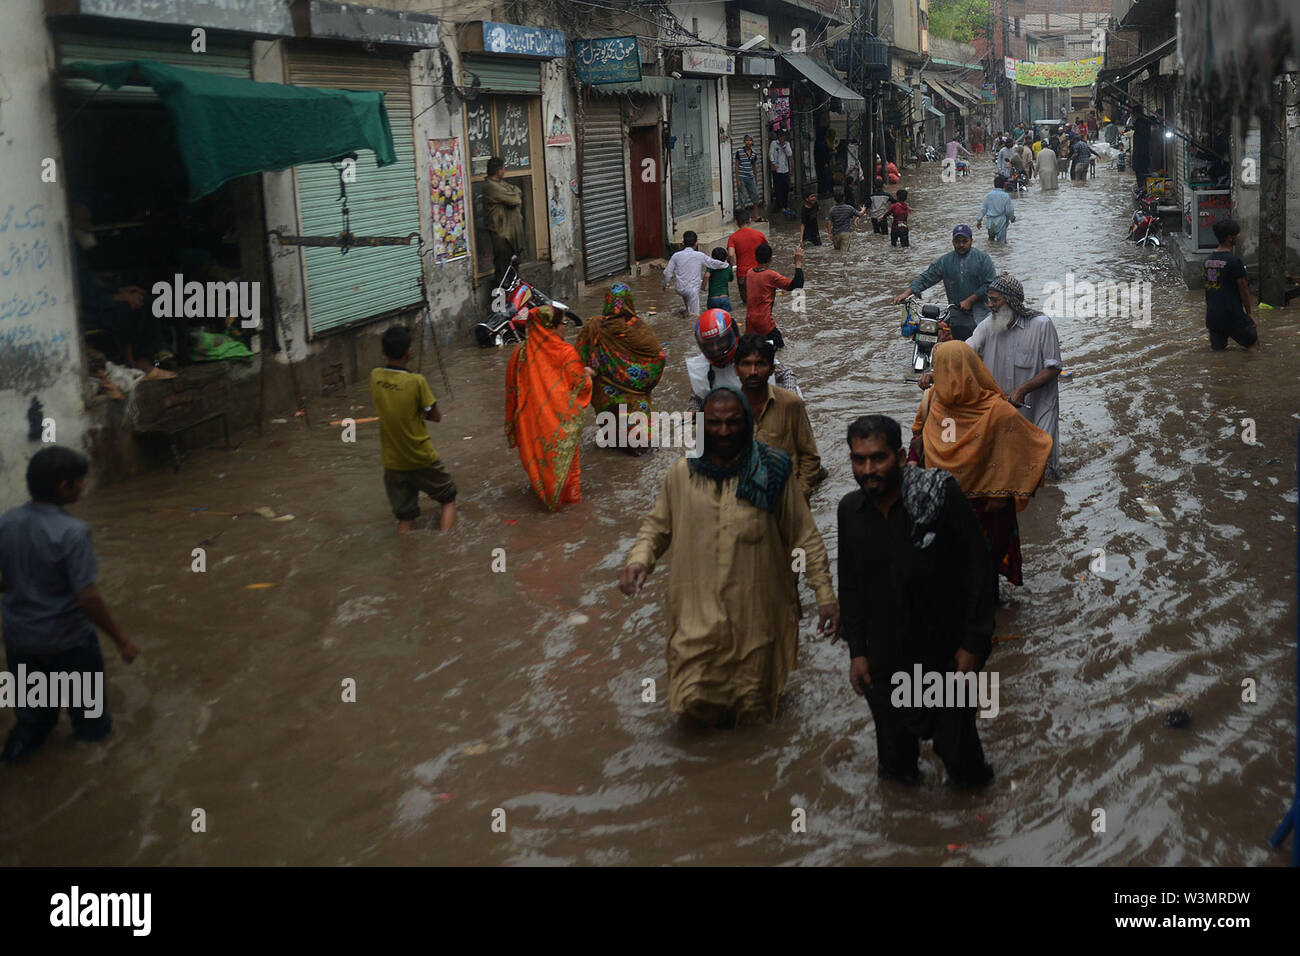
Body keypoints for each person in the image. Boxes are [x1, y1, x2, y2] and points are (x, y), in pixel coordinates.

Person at [619, 387, 838, 727]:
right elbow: (657, 527)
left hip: (756, 626)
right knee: (691, 712)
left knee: (754, 717)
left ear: (747, 425)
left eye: (734, 423)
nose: (724, 431)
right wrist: (638, 560)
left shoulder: (774, 473)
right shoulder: (682, 474)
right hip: (695, 626)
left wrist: (824, 595)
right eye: (715, 423)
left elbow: (804, 536)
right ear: (702, 426)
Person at [837, 414, 997, 787]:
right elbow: (850, 586)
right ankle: (904, 835)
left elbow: (980, 569)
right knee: (895, 764)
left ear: (900, 456)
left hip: (946, 655)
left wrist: (973, 643)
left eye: (878, 458)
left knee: (958, 753)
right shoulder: (850, 511)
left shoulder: (939, 498)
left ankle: (977, 827)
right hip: (885, 659)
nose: (868, 469)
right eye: (858, 460)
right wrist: (857, 652)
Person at [0, 447, 140, 763]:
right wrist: (122, 641)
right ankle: (93, 782)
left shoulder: (6, 522)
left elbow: (4, 580)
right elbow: (87, 597)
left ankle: (13, 764)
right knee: (91, 726)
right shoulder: (73, 532)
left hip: (21, 640)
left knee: (33, 720)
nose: (84, 487)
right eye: (80, 482)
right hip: (68, 644)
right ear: (65, 487)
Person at [909, 341, 1052, 586]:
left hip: (982, 511)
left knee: (978, 575)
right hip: (952, 509)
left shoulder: (998, 412)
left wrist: (1002, 492)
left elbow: (1031, 446)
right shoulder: (932, 400)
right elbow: (917, 440)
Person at [922, 275, 1062, 479]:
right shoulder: (988, 326)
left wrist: (1022, 390)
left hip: (1039, 405)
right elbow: (964, 354)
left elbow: (1053, 368)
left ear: (1012, 300)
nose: (990, 305)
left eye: (995, 300)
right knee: (1008, 466)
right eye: (989, 299)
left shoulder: (1041, 325)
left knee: (1044, 465)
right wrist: (935, 373)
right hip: (1002, 406)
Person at [371, 325, 458, 533]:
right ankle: (446, 544)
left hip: (393, 463)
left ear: (383, 351)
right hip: (421, 457)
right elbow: (436, 416)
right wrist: (422, 413)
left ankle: (406, 558)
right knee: (448, 498)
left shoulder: (375, 377)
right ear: (409, 352)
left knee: (405, 517)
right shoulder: (416, 381)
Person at [505, 306, 593, 509]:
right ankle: (570, 511)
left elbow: (511, 391)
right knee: (567, 470)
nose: (566, 329)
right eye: (563, 324)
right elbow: (581, 386)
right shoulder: (564, 352)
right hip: (558, 425)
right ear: (550, 327)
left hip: (529, 426)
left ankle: (546, 500)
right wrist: (587, 374)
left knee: (540, 464)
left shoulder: (519, 353)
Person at [576, 284, 666, 450]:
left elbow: (578, 359)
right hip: (635, 397)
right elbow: (658, 357)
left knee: (612, 437)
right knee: (641, 442)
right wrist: (638, 381)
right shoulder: (640, 328)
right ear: (629, 301)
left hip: (604, 394)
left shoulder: (593, 326)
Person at [735, 334, 824, 499]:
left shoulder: (791, 404)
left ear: (772, 369)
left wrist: (798, 496)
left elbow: (810, 457)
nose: (753, 372)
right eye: (746, 364)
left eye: (760, 364)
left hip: (789, 502)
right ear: (736, 369)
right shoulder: (728, 409)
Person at [891, 225, 996, 340]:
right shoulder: (945, 261)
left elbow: (990, 284)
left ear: (971, 240)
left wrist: (970, 300)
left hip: (981, 311)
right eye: (957, 241)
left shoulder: (983, 259)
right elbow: (928, 276)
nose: (961, 245)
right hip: (956, 310)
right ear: (952, 242)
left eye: (965, 241)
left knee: (984, 340)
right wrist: (907, 293)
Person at [686, 309, 801, 411]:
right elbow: (697, 396)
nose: (716, 349)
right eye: (710, 345)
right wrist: (693, 412)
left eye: (720, 342)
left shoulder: (753, 353)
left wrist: (790, 403)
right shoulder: (701, 367)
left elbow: (786, 374)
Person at [1203, 218, 1259, 351]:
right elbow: (1243, 289)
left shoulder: (1207, 261)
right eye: (1237, 235)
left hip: (1213, 318)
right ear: (1230, 238)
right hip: (1233, 316)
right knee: (1254, 347)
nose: (1238, 237)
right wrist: (1250, 313)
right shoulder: (1234, 261)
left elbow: (1210, 288)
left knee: (1218, 354)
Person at [744, 243, 804, 346]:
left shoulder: (749, 273)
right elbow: (797, 285)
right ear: (771, 259)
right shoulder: (770, 275)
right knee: (780, 350)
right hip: (765, 323)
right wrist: (798, 263)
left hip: (749, 322)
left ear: (755, 257)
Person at [664, 231, 730, 319]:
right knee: (694, 317)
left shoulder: (676, 256)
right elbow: (713, 263)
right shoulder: (699, 255)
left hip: (679, 288)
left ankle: (684, 315)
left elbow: (667, 272)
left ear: (683, 243)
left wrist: (666, 284)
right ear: (696, 243)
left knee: (688, 308)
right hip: (692, 290)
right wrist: (726, 265)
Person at [483, 157, 526, 284]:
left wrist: (514, 194)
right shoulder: (491, 186)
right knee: (503, 270)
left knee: (512, 268)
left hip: (511, 234)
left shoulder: (501, 184)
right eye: (503, 168)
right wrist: (513, 195)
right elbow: (515, 199)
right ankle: (500, 301)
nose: (504, 171)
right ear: (498, 170)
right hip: (502, 235)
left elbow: (518, 191)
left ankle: (512, 298)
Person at [727, 209, 768, 305]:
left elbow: (731, 254)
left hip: (743, 274)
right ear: (750, 220)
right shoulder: (759, 235)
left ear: (736, 222)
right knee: (760, 302)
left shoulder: (733, 237)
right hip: (759, 272)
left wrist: (730, 267)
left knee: (747, 303)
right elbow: (767, 251)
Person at [733, 134, 764, 224]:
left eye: (750, 140)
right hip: (742, 177)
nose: (748, 142)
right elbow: (736, 166)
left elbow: (754, 166)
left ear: (752, 142)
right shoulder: (739, 152)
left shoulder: (754, 153)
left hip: (750, 177)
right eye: (746, 140)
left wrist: (756, 178)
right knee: (742, 198)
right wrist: (737, 180)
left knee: (755, 196)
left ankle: (756, 215)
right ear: (744, 141)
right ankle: (743, 218)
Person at [976, 174, 1016, 243]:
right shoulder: (1005, 196)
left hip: (990, 222)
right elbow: (1009, 211)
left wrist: (979, 221)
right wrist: (1012, 219)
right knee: (1001, 244)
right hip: (1001, 222)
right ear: (1004, 185)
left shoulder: (989, 195)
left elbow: (983, 209)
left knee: (990, 241)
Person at [769, 128, 795, 215]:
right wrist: (773, 163)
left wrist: (783, 145)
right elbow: (771, 154)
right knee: (778, 188)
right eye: (780, 136)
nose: (782, 137)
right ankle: (781, 206)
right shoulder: (774, 143)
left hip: (785, 170)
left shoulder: (787, 144)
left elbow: (789, 154)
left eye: (783, 136)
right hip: (777, 169)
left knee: (785, 188)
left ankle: (786, 204)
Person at [705, 247, 735, 312]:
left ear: (712, 257)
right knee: (726, 320)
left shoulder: (710, 266)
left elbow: (706, 275)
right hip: (725, 298)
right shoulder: (728, 267)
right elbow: (731, 279)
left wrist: (703, 287)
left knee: (713, 320)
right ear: (725, 257)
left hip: (713, 298)